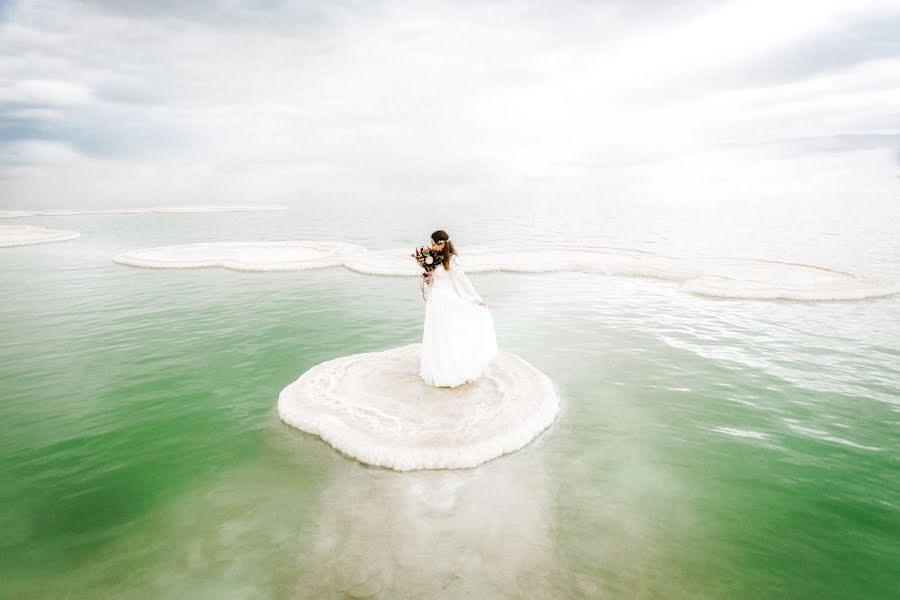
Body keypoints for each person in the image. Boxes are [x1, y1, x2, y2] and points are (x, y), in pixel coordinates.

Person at [419, 230, 499, 387]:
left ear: (442, 244)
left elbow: (462, 281)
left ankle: (450, 370)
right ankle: (435, 369)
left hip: (446, 302)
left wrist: (476, 298)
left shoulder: (451, 260)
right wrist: (428, 279)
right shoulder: (433, 258)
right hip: (434, 301)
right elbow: (433, 280)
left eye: (433, 244)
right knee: (435, 334)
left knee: (447, 334)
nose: (431, 247)